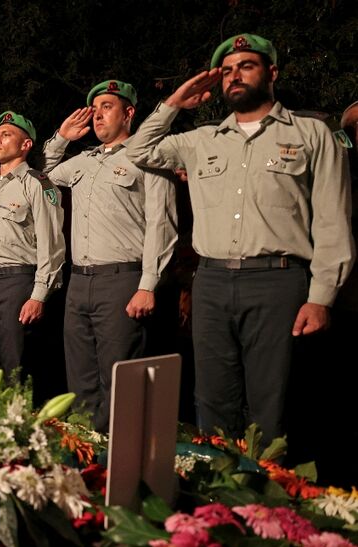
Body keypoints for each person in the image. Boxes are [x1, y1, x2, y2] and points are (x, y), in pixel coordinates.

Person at [125, 34, 354, 444]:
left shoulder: (312, 133)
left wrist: (321, 297)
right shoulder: (202, 140)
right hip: (211, 282)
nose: (234, 76)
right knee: (212, 401)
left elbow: (333, 222)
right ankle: (218, 499)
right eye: (227, 70)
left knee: (272, 404)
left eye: (246, 65)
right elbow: (138, 150)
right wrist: (174, 102)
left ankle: (267, 502)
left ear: (271, 73)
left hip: (279, 281)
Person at [41, 80, 178, 431]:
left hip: (123, 280)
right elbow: (41, 182)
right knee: (81, 379)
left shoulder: (147, 157)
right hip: (79, 281)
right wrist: (61, 138)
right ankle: (86, 455)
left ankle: (117, 463)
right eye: (95, 108)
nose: (98, 115)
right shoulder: (84, 161)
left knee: (119, 380)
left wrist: (148, 285)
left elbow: (161, 224)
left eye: (107, 106)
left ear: (129, 112)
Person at [0, 111, 66, 379]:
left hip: (17, 281)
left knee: (15, 368)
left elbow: (52, 245)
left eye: (6, 135)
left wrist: (38, 295)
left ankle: (16, 420)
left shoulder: (36, 184)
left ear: (26, 145)